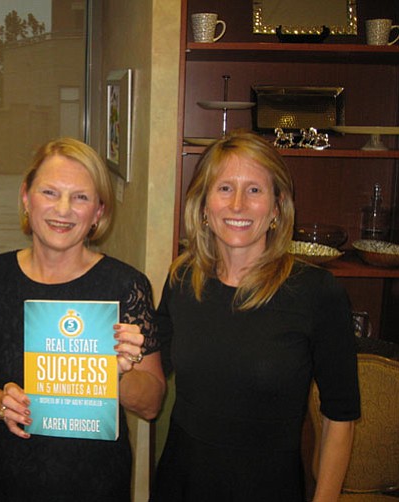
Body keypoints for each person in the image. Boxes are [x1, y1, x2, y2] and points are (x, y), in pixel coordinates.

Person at [0, 137, 165, 501]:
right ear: (26, 197)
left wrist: (116, 375)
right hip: (3, 477)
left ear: (98, 212)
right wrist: (0, 403)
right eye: (49, 192)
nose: (63, 210)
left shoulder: (126, 286)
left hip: (94, 483)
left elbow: (152, 402)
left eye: (80, 197)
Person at [151, 131, 360, 502]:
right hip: (179, 484)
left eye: (254, 191)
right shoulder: (182, 279)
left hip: (267, 488)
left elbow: (339, 418)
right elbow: (149, 370)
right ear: (202, 205)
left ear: (278, 207)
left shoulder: (317, 293)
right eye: (225, 188)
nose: (237, 205)